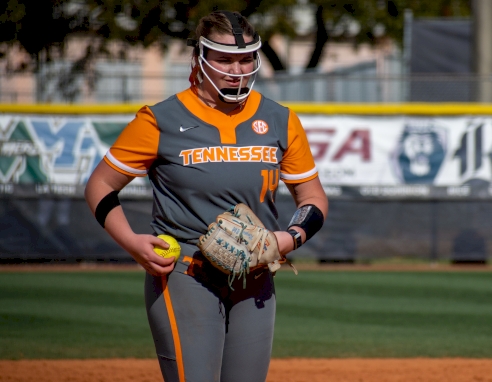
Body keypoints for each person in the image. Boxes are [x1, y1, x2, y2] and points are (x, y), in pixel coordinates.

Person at [84, 10, 327, 382]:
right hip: (185, 275)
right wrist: (132, 243)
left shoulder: (280, 120)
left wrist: (288, 238)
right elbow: (100, 185)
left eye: (246, 58)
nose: (237, 68)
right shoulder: (160, 119)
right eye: (225, 58)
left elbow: (312, 198)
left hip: (256, 279)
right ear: (199, 57)